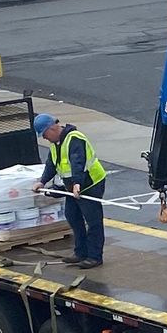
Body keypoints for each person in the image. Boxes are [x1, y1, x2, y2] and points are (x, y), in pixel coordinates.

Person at [35, 112, 107, 264]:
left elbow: (77, 163)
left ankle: (95, 257)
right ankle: (80, 252)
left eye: (45, 134)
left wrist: (77, 184)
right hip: (72, 186)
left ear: (53, 128)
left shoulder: (74, 139)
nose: (45, 138)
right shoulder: (56, 144)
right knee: (72, 216)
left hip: (90, 183)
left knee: (93, 220)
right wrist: (42, 182)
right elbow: (51, 164)